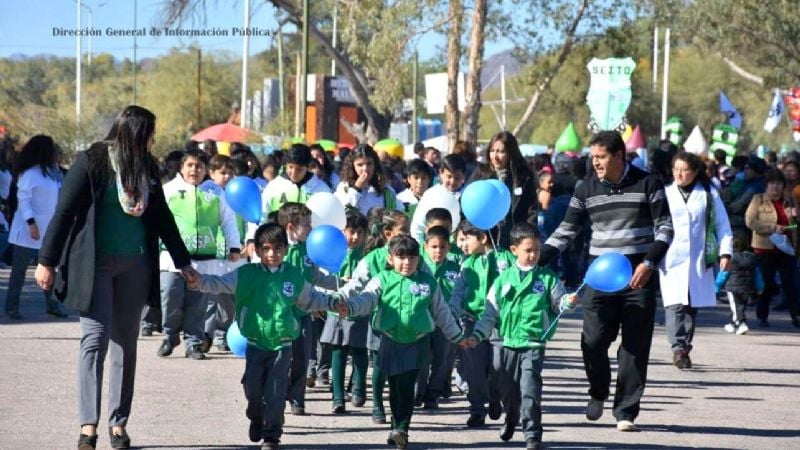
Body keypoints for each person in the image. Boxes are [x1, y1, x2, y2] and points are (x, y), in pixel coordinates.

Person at [35, 106, 192, 450]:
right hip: (95, 266)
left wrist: (184, 262)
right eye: (151, 132)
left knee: (125, 342)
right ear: (136, 133)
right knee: (95, 339)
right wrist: (46, 261)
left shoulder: (147, 166)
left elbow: (162, 216)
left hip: (135, 266)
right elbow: (64, 212)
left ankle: (118, 424)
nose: (154, 139)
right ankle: (88, 426)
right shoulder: (92, 161)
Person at [539, 130, 673, 432]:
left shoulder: (648, 182)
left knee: (635, 347)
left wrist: (649, 262)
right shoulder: (585, 188)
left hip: (639, 276)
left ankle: (626, 411)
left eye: (601, 157)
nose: (595, 162)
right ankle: (598, 391)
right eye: (593, 157)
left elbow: (665, 228)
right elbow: (566, 231)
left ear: (619, 156)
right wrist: (538, 257)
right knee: (593, 341)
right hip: (599, 276)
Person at [184, 223, 336, 450]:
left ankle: (272, 436)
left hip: (282, 345)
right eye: (266, 249)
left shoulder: (293, 276)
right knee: (253, 389)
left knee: (275, 391)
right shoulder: (246, 274)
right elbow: (218, 283)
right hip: (255, 344)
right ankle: (256, 415)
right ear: (257, 250)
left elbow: (311, 298)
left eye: (277, 249)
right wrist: (198, 281)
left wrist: (333, 302)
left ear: (285, 250)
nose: (272, 254)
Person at [334, 234, 466, 450]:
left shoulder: (427, 282)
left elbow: (442, 312)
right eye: (401, 258)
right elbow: (367, 299)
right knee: (394, 387)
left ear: (418, 259)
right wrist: (349, 307)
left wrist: (457, 337)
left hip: (417, 341)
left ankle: (402, 428)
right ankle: (396, 426)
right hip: (390, 340)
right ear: (390, 259)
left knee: (406, 385)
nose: (407, 263)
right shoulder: (382, 279)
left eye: (412, 258)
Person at [468, 223, 578, 450]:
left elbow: (559, 304)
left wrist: (568, 302)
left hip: (533, 344)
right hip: (507, 343)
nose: (533, 255)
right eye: (528, 250)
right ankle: (511, 419)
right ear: (513, 250)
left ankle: (532, 434)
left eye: (536, 250)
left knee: (530, 390)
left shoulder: (547, 279)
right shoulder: (502, 279)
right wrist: (478, 334)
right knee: (507, 391)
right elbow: (490, 313)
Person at [158, 150, 241, 360]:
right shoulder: (169, 190)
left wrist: (234, 246)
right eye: (190, 165)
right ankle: (170, 336)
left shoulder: (215, 192)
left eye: (199, 166)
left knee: (199, 303)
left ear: (206, 170)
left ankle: (194, 342)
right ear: (181, 167)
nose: (194, 170)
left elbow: (228, 220)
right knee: (170, 297)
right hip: (172, 258)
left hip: (204, 259)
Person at [659, 152, 732, 369]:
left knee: (691, 305)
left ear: (696, 172)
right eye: (676, 170)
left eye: (685, 170)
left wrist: (725, 253)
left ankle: (685, 346)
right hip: (670, 258)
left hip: (700, 257)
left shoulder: (709, 194)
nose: (679, 174)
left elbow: (722, 224)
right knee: (674, 304)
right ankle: (677, 347)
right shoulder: (664, 193)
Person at [449, 221, 515, 427]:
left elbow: (517, 283)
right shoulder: (468, 263)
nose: (462, 244)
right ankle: (477, 408)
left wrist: (508, 273)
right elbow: (458, 292)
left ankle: (495, 397)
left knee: (498, 366)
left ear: (483, 238)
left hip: (499, 323)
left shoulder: (505, 258)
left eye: (466, 238)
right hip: (472, 321)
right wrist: (455, 311)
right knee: (473, 368)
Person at [5, 135, 66, 319]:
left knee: (49, 268)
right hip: (26, 231)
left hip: (47, 230)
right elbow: (24, 200)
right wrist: (30, 223)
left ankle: (52, 305)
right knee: (19, 271)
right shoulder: (30, 173)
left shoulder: (52, 172)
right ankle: (12, 307)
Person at [320, 209, 370, 413]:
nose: (355, 237)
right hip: (336, 308)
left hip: (359, 308)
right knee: (338, 350)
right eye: (351, 231)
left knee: (360, 350)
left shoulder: (366, 257)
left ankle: (358, 387)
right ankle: (338, 396)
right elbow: (323, 276)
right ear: (341, 231)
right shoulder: (334, 252)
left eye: (360, 232)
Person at [744, 169, 800, 328]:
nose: (775, 187)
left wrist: (796, 216)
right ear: (766, 185)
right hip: (764, 249)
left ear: (783, 185)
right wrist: (772, 227)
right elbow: (750, 222)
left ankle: (796, 316)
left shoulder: (789, 201)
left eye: (778, 183)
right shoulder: (758, 200)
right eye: (772, 183)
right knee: (765, 285)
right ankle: (762, 316)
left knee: (792, 284)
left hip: (787, 249)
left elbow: (796, 225)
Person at [415, 225, 461, 409]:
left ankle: (433, 394)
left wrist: (454, 313)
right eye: (434, 247)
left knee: (442, 359)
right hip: (423, 320)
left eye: (442, 247)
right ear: (425, 247)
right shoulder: (420, 267)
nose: (438, 251)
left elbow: (460, 294)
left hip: (445, 321)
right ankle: (418, 393)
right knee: (422, 358)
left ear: (449, 248)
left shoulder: (455, 269)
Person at [478, 131, 537, 247]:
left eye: (500, 152)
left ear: (511, 153)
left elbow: (532, 212)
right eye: (492, 151)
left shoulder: (523, 178)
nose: (495, 156)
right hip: (486, 240)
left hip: (515, 240)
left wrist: (527, 238)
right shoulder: (481, 173)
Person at [409, 154, 467, 243]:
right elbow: (417, 226)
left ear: (463, 176)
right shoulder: (432, 194)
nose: (452, 181)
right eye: (449, 176)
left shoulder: (468, 194)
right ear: (441, 173)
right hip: (435, 247)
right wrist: (421, 249)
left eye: (457, 178)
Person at [335, 144, 404, 215]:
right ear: (352, 166)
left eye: (369, 164)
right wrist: (356, 189)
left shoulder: (385, 189)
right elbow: (343, 211)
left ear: (375, 164)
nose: (365, 168)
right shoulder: (344, 187)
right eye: (360, 165)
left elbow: (397, 214)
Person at [716, 236, 764, 335]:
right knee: (740, 306)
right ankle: (732, 324)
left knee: (736, 306)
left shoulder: (731, 259)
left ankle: (742, 323)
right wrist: (760, 287)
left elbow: (723, 274)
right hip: (747, 286)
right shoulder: (752, 258)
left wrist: (717, 287)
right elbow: (757, 274)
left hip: (733, 287)